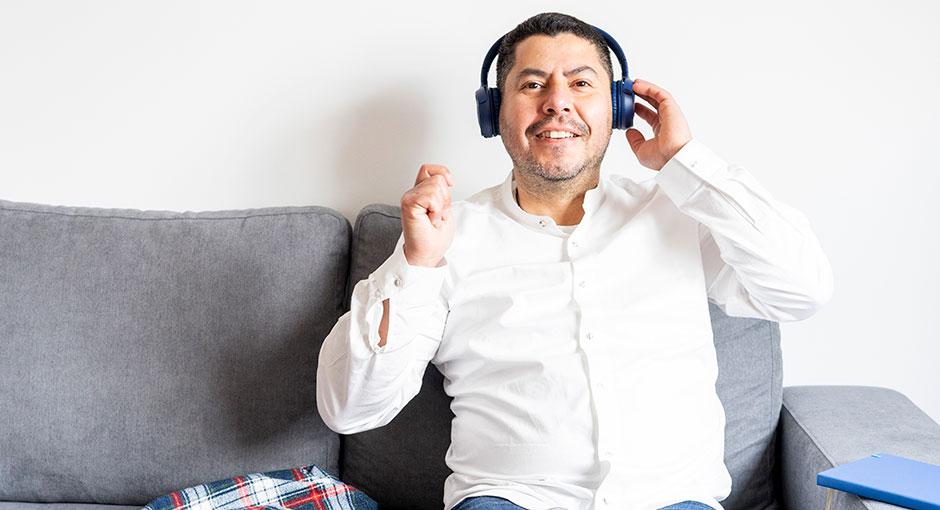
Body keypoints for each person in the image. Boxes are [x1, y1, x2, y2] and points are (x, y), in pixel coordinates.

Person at [317, 12, 833, 510]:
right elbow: (349, 408)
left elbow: (802, 287)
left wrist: (685, 161)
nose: (557, 103)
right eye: (533, 85)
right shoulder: (446, 238)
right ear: (494, 112)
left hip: (672, 500)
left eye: (581, 84)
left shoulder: (680, 215)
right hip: (509, 502)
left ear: (619, 107)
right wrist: (416, 263)